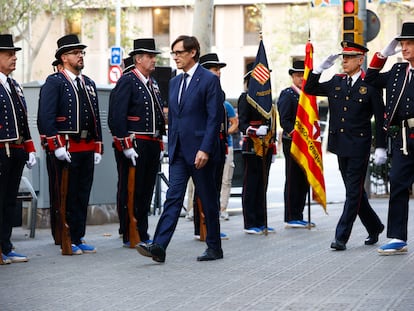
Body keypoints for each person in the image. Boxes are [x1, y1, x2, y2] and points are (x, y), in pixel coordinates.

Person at [136, 35, 224, 262]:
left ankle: (214, 247)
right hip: (178, 153)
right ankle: (159, 247)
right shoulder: (174, 81)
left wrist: (205, 149)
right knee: (172, 199)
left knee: (207, 199)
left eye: (179, 53)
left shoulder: (208, 80)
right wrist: (170, 146)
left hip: (200, 153)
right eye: (173, 53)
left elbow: (214, 118)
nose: (174, 57)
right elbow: (174, 118)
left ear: (193, 52)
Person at [304, 41, 386, 251]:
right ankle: (375, 226)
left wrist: (380, 147)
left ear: (361, 60)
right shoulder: (336, 81)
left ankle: (341, 237)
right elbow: (310, 88)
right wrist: (319, 69)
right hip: (340, 145)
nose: (345, 60)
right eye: (343, 57)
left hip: (359, 145)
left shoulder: (370, 85)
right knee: (355, 191)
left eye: (349, 57)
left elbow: (380, 117)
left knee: (352, 193)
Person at [37, 34, 103, 255]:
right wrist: (56, 145)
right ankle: (66, 237)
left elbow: (95, 118)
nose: (80, 56)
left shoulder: (89, 83)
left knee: (83, 193)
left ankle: (78, 235)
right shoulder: (54, 82)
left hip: (86, 146)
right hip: (65, 147)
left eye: (81, 52)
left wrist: (98, 145)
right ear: (64, 57)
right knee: (66, 194)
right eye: (76, 53)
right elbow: (45, 118)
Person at [109, 39, 166, 247]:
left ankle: (142, 230)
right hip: (134, 143)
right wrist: (126, 145)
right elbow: (117, 116)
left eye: (154, 56)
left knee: (146, 190)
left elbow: (158, 115)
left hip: (151, 144)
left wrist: (160, 141)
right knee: (131, 189)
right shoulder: (128, 80)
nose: (154, 60)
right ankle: (129, 231)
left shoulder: (153, 83)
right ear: (138, 59)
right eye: (150, 56)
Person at [364, 22, 414, 255]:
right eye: (402, 44)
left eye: (409, 44)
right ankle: (397, 237)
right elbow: (370, 78)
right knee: (397, 184)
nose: (404, 49)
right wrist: (383, 53)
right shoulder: (397, 71)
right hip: (404, 137)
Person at [0, 34, 37, 264]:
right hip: (0, 150)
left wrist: (30, 148)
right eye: (9, 54)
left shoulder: (14, 84)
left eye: (15, 54)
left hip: (16, 150)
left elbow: (23, 120)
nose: (15, 58)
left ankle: (6, 245)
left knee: (9, 201)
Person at [199, 53, 239, 221]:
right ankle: (201, 224)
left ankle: (212, 222)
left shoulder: (220, 94)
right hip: (204, 145)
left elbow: (232, 122)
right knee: (202, 187)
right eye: (215, 69)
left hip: (220, 144)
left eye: (219, 70)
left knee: (218, 184)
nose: (219, 73)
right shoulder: (199, 91)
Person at [238, 62, 277, 235]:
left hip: (266, 146)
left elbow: (272, 124)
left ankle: (262, 221)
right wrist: (254, 130)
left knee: (263, 184)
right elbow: (242, 124)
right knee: (251, 185)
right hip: (252, 146)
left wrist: (273, 146)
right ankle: (250, 222)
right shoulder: (245, 98)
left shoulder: (268, 100)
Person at [277, 60, 314, 229]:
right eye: (298, 75)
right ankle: (291, 216)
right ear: (292, 77)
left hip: (306, 143)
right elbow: (285, 120)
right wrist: (297, 136)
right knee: (293, 178)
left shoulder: (308, 95)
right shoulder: (287, 94)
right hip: (292, 142)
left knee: (304, 178)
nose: (301, 78)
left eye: (303, 75)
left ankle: (299, 213)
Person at [108, 56, 134, 241]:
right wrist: (125, 144)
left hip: (139, 143)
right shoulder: (125, 83)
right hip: (126, 144)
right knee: (126, 186)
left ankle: (132, 225)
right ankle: (125, 226)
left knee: (138, 188)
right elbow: (115, 118)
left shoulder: (149, 83)